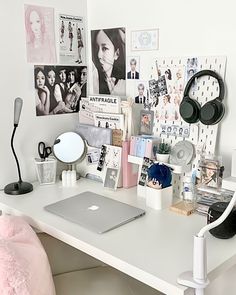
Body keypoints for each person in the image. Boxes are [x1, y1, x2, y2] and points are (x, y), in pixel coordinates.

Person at [91, 28, 126, 95]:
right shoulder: (94, 81)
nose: (99, 55)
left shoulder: (123, 83)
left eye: (104, 48)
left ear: (116, 54)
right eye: (96, 48)